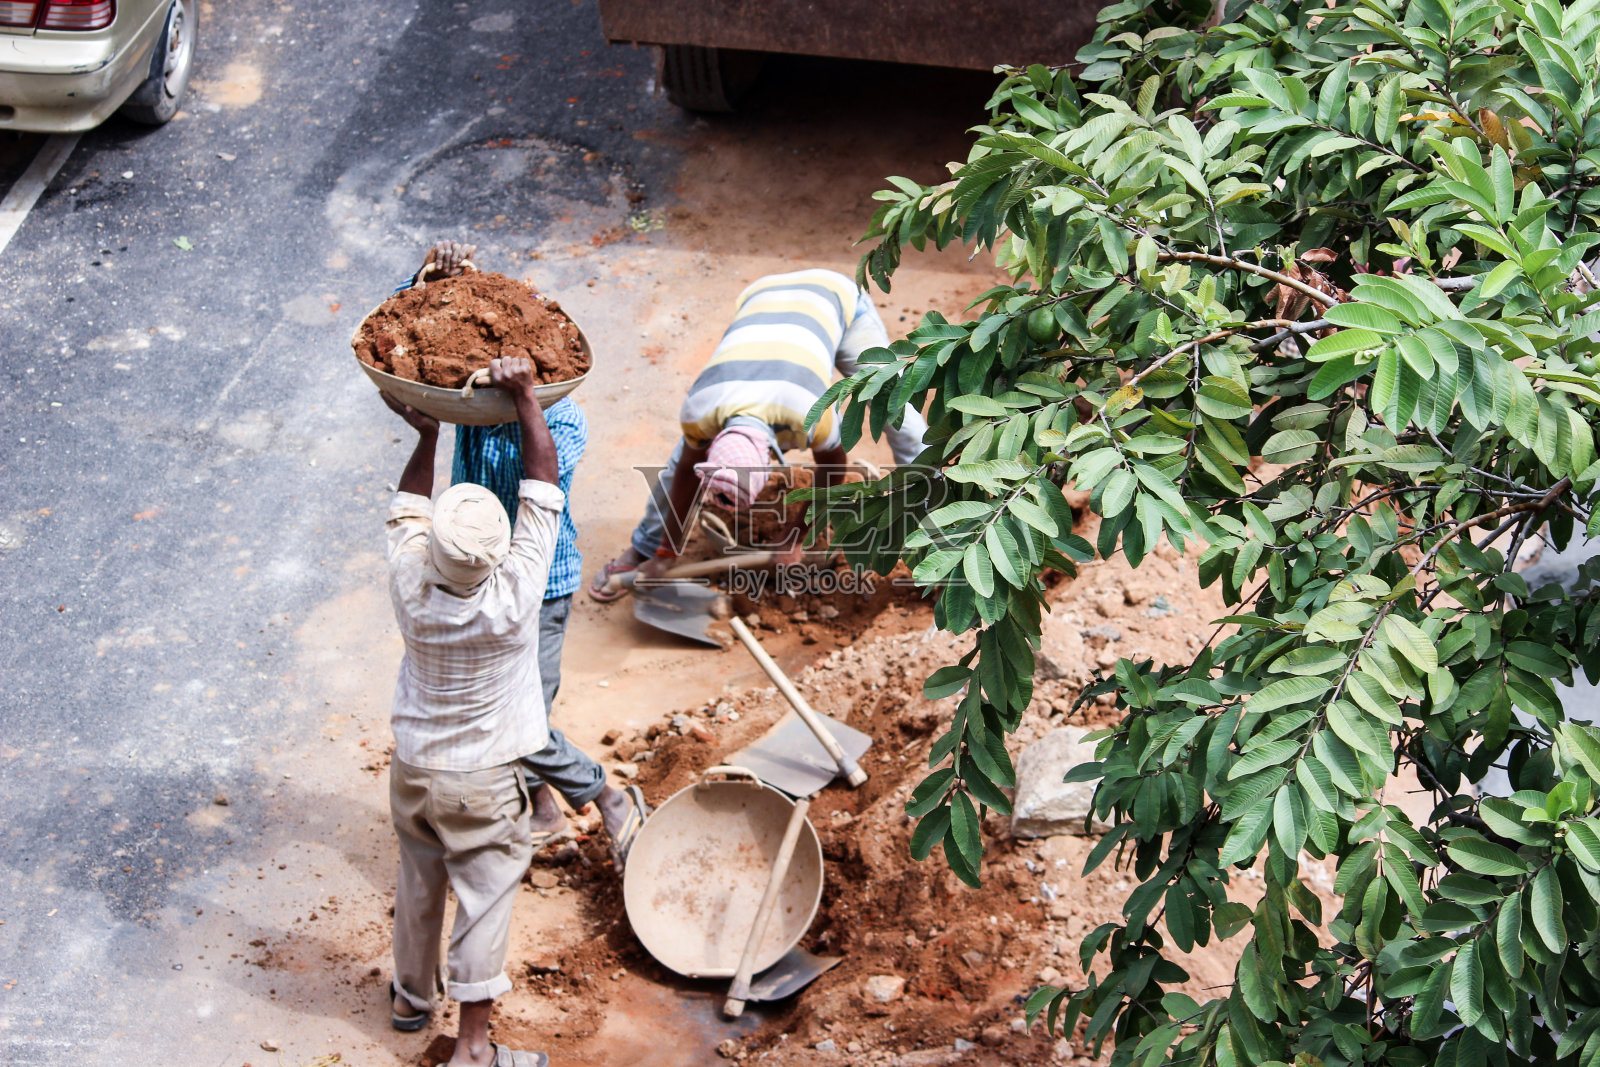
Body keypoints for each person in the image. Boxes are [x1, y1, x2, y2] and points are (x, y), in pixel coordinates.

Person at [379, 357, 645, 1066]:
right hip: (484, 777)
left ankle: (410, 1000)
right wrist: (529, 396)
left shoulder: (409, 578)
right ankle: (472, 1047)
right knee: (485, 898)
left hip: (412, 768)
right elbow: (544, 489)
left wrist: (427, 436)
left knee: (418, 879)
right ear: (500, 552)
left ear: (434, 540)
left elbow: (407, 507)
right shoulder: (514, 594)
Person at [403, 240, 622, 858]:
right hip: (474, 577)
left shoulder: (563, 421)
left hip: (540, 585)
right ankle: (546, 805)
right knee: (510, 710)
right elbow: (406, 347)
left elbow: (542, 484)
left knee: (526, 716)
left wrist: (525, 401)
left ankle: (602, 795)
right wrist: (428, 278)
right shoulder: (472, 409)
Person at [587, 267, 928, 599]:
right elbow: (685, 475)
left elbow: (833, 468)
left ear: (770, 456)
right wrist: (665, 554)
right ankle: (646, 547)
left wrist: (793, 538)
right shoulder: (700, 410)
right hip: (760, 298)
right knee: (679, 459)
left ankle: (940, 540)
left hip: (834, 299)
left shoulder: (811, 414)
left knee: (899, 415)